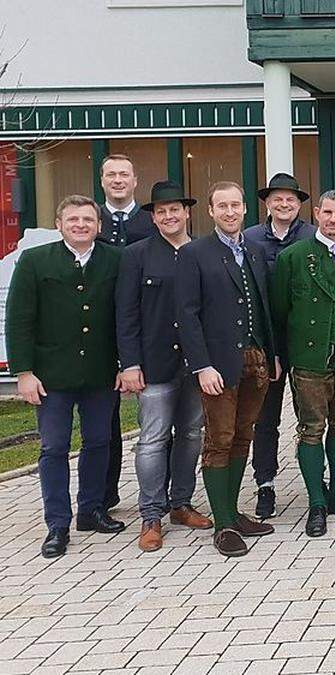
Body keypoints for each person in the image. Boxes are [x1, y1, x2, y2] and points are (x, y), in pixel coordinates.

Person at [7, 195, 125, 559]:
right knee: (54, 448)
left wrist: (126, 363)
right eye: (73, 219)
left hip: (101, 373)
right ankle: (57, 523)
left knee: (98, 442)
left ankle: (91, 511)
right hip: (51, 376)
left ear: (99, 226)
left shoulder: (116, 260)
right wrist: (23, 373)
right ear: (59, 224)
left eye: (88, 219)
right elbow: (19, 321)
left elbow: (125, 316)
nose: (80, 225)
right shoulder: (34, 261)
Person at [176, 181, 279, 556]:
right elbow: (186, 315)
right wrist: (201, 365)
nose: (230, 212)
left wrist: (273, 353)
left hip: (255, 360)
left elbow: (263, 306)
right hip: (217, 364)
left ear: (245, 209)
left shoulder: (253, 249)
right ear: (210, 210)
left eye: (236, 205)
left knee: (242, 435)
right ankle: (222, 525)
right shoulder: (194, 253)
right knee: (218, 439)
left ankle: (233, 513)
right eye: (223, 206)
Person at [116, 181, 212, 553]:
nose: (169, 216)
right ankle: (150, 514)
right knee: (152, 440)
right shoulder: (136, 255)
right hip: (154, 362)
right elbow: (125, 314)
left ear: (187, 212)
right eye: (161, 211)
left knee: (191, 434)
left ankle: (181, 504)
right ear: (153, 217)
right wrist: (130, 363)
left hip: (196, 364)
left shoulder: (203, 251)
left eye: (175, 209)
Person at [272, 189, 335, 537]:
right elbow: (280, 311)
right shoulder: (293, 256)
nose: (333, 219)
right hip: (311, 357)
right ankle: (316, 502)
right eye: (327, 213)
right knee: (312, 428)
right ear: (317, 213)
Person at [243, 172, 317, 519]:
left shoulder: (313, 237)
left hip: (305, 341)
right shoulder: (250, 239)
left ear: (299, 203)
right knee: (266, 417)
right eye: (278, 198)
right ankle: (265, 484)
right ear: (267, 202)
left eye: (291, 198)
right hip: (266, 341)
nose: (284, 204)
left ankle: (317, 483)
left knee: (312, 416)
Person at [97, 153, 154, 511]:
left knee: (154, 421)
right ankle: (103, 495)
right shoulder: (90, 220)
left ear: (135, 181)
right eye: (111, 175)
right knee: (104, 421)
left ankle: (159, 497)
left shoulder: (152, 222)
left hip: (147, 334)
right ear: (102, 181)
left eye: (124, 175)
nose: (118, 180)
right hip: (100, 335)